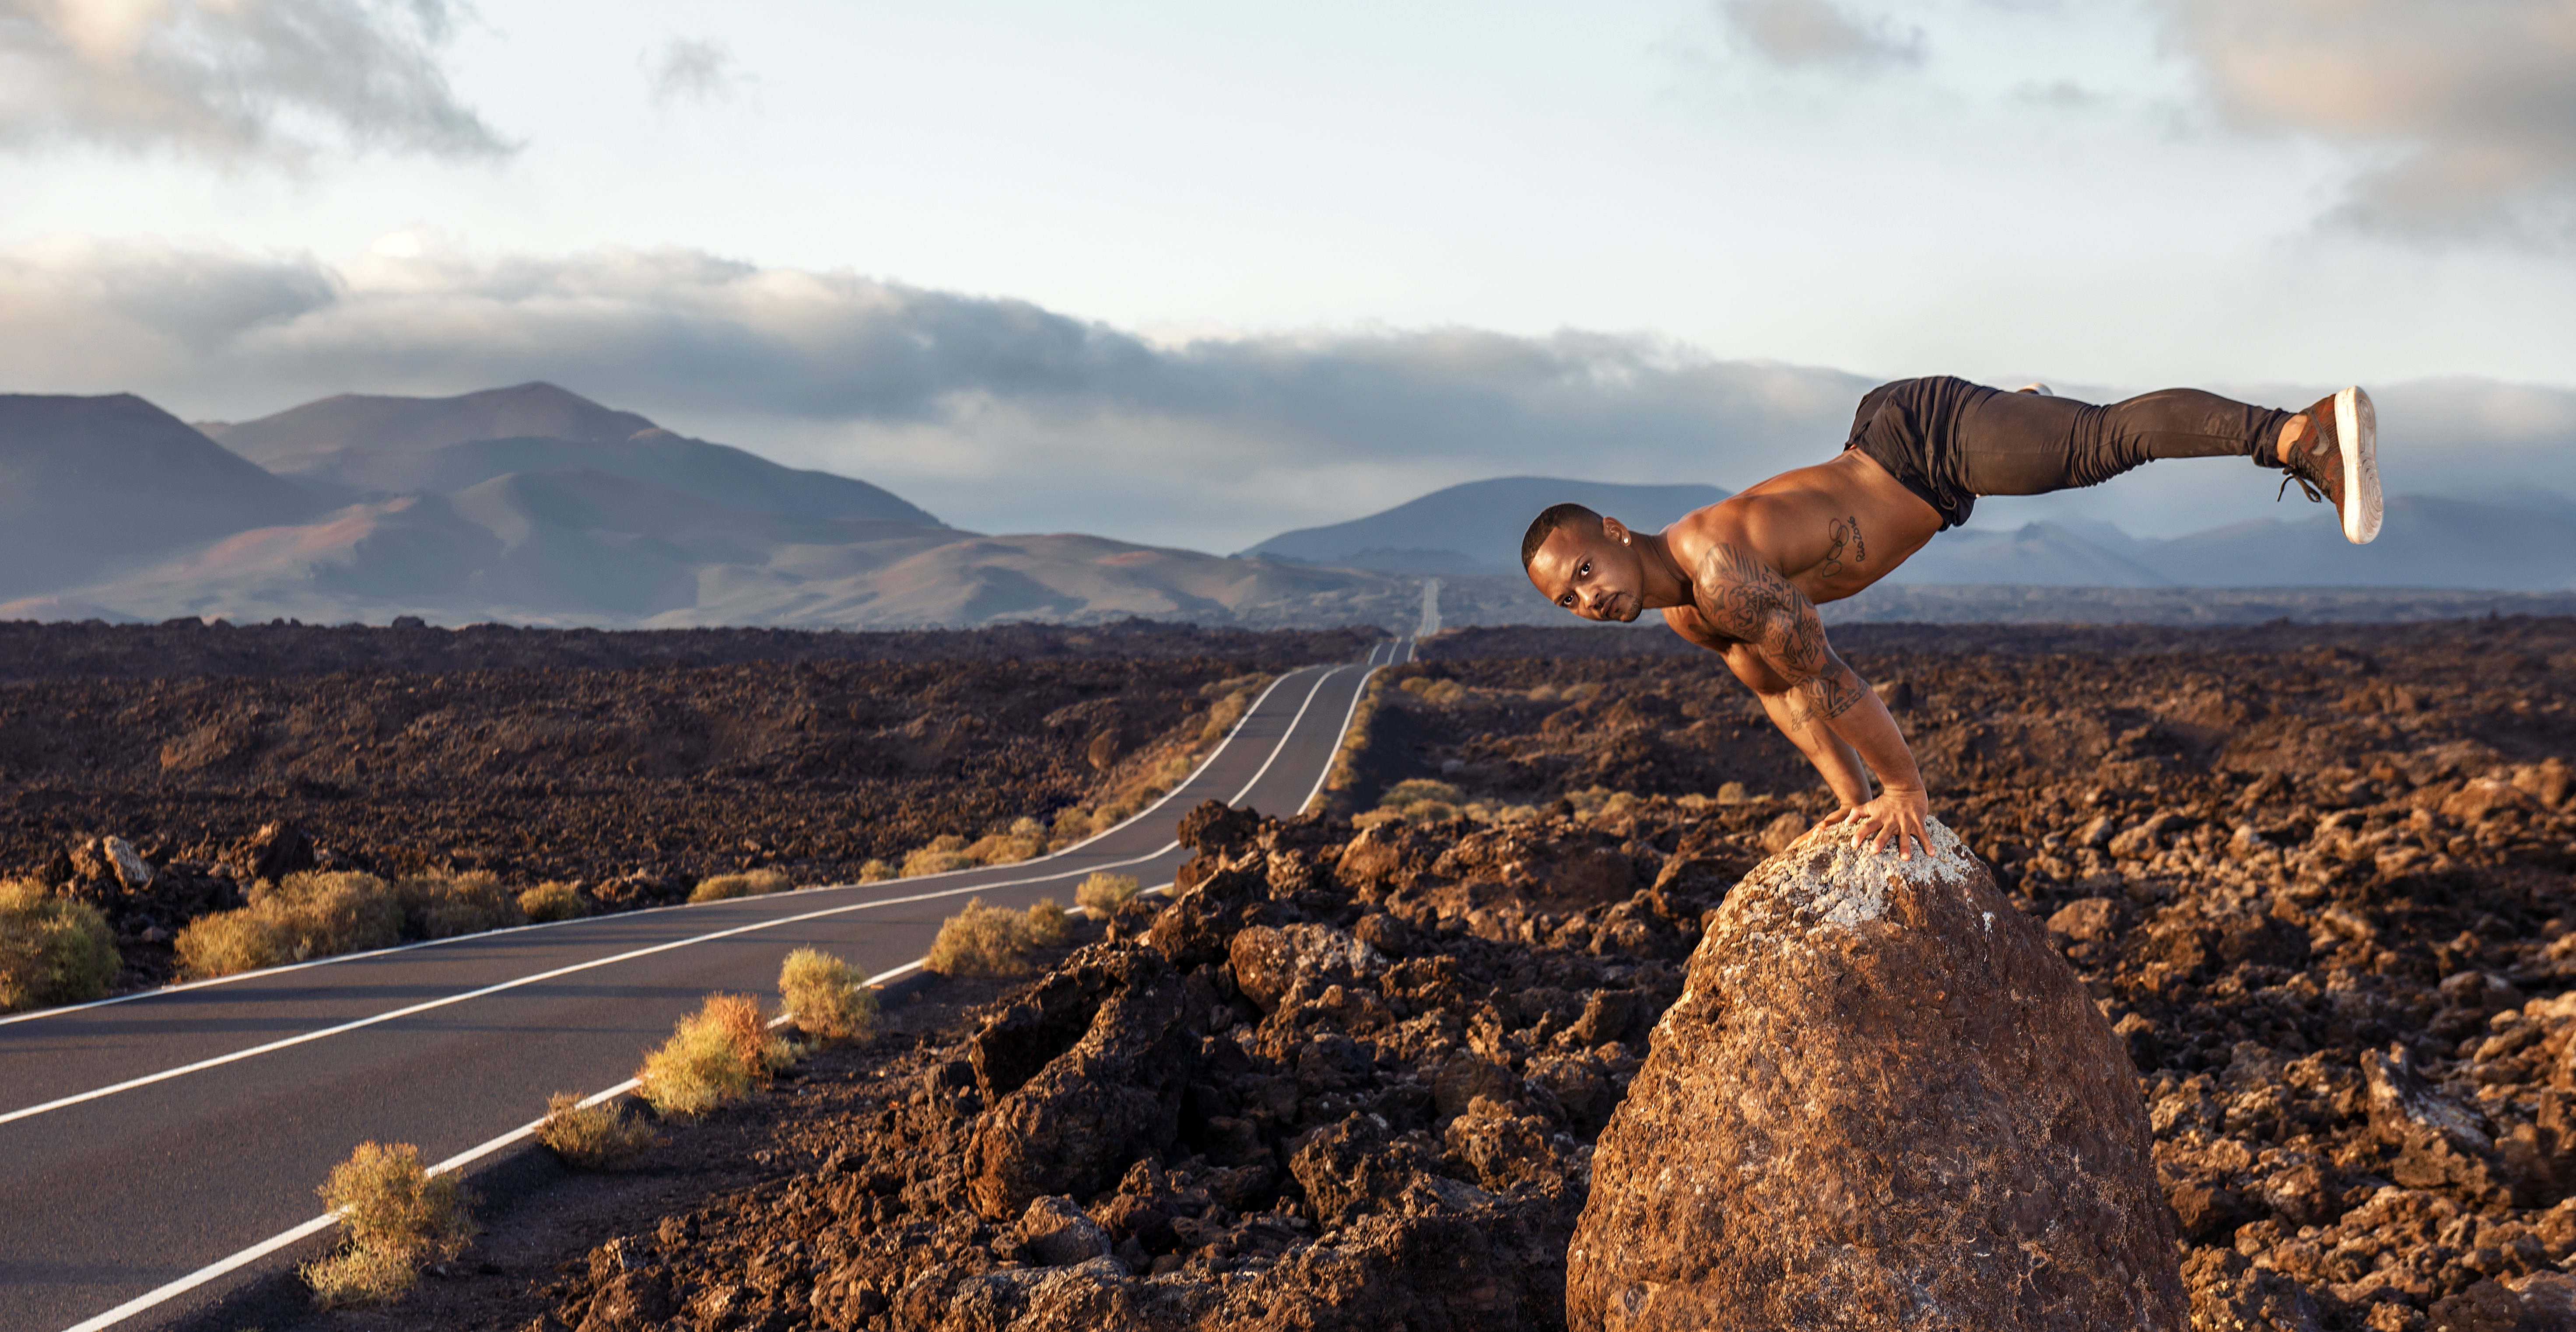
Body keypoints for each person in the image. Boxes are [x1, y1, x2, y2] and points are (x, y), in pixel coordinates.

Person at [1519, 377, 2380, 859]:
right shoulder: (1692, 618)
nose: (1588, 597)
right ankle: (2019, 409)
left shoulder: (1718, 572)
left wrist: (1902, 789)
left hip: (1920, 443)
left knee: (2098, 443)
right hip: (1906, 469)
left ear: (1614, 531)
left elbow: (1822, 673)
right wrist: (1850, 799)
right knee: (2060, 440)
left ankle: (2298, 432)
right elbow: (1783, 695)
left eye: (1586, 570)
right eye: (1569, 599)